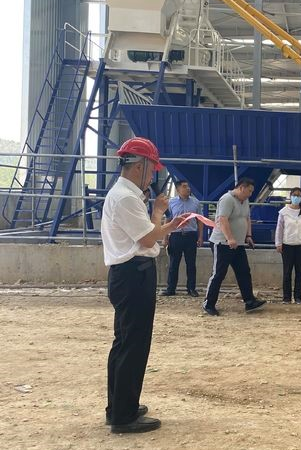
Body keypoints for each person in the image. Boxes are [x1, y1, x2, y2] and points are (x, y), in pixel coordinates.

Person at [102, 137, 182, 434]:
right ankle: (123, 416)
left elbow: (147, 232)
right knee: (133, 346)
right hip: (133, 275)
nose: (152, 176)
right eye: (151, 169)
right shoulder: (125, 198)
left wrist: (158, 215)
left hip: (130, 274)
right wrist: (169, 225)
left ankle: (120, 407)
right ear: (139, 166)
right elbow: (149, 239)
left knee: (125, 343)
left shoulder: (127, 195)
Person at [202, 178, 266, 315]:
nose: (250, 194)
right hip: (222, 243)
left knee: (244, 272)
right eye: (249, 191)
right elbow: (222, 220)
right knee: (219, 273)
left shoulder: (245, 201)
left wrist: (248, 236)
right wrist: (229, 238)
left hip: (239, 243)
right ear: (242, 188)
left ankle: (249, 301)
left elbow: (247, 218)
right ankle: (209, 303)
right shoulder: (227, 199)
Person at [161, 180, 203, 297]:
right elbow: (168, 220)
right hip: (176, 235)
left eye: (188, 186)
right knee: (173, 264)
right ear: (178, 189)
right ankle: (171, 289)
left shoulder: (196, 202)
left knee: (191, 264)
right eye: (184, 186)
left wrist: (200, 236)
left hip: (191, 235)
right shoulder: (171, 202)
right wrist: (165, 237)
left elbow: (200, 221)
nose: (188, 188)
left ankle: (191, 289)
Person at [276, 187, 301, 304]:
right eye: (294, 195)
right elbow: (279, 229)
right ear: (290, 196)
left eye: (298, 195)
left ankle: (298, 297)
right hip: (287, 245)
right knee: (287, 272)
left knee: (299, 272)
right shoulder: (283, 212)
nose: (296, 197)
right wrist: (278, 243)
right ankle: (286, 298)